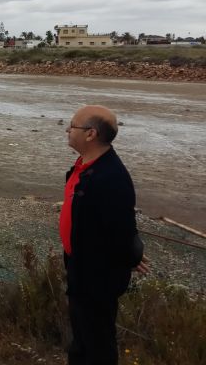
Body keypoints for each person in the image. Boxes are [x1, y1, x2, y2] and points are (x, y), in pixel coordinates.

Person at [60, 105, 149, 365]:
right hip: (79, 267)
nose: (67, 129)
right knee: (81, 342)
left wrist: (133, 255)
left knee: (98, 344)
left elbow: (122, 229)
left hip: (97, 277)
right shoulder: (85, 165)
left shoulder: (111, 178)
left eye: (72, 125)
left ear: (91, 134)